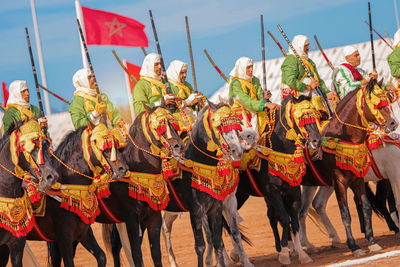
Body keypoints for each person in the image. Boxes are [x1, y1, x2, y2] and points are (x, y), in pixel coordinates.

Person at [281, 35, 336, 101]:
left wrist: (327, 92)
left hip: (314, 96)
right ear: (299, 46)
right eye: (305, 46)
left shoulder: (309, 62)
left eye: (308, 45)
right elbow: (289, 80)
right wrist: (307, 87)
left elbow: (318, 80)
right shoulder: (291, 59)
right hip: (297, 99)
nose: (308, 48)